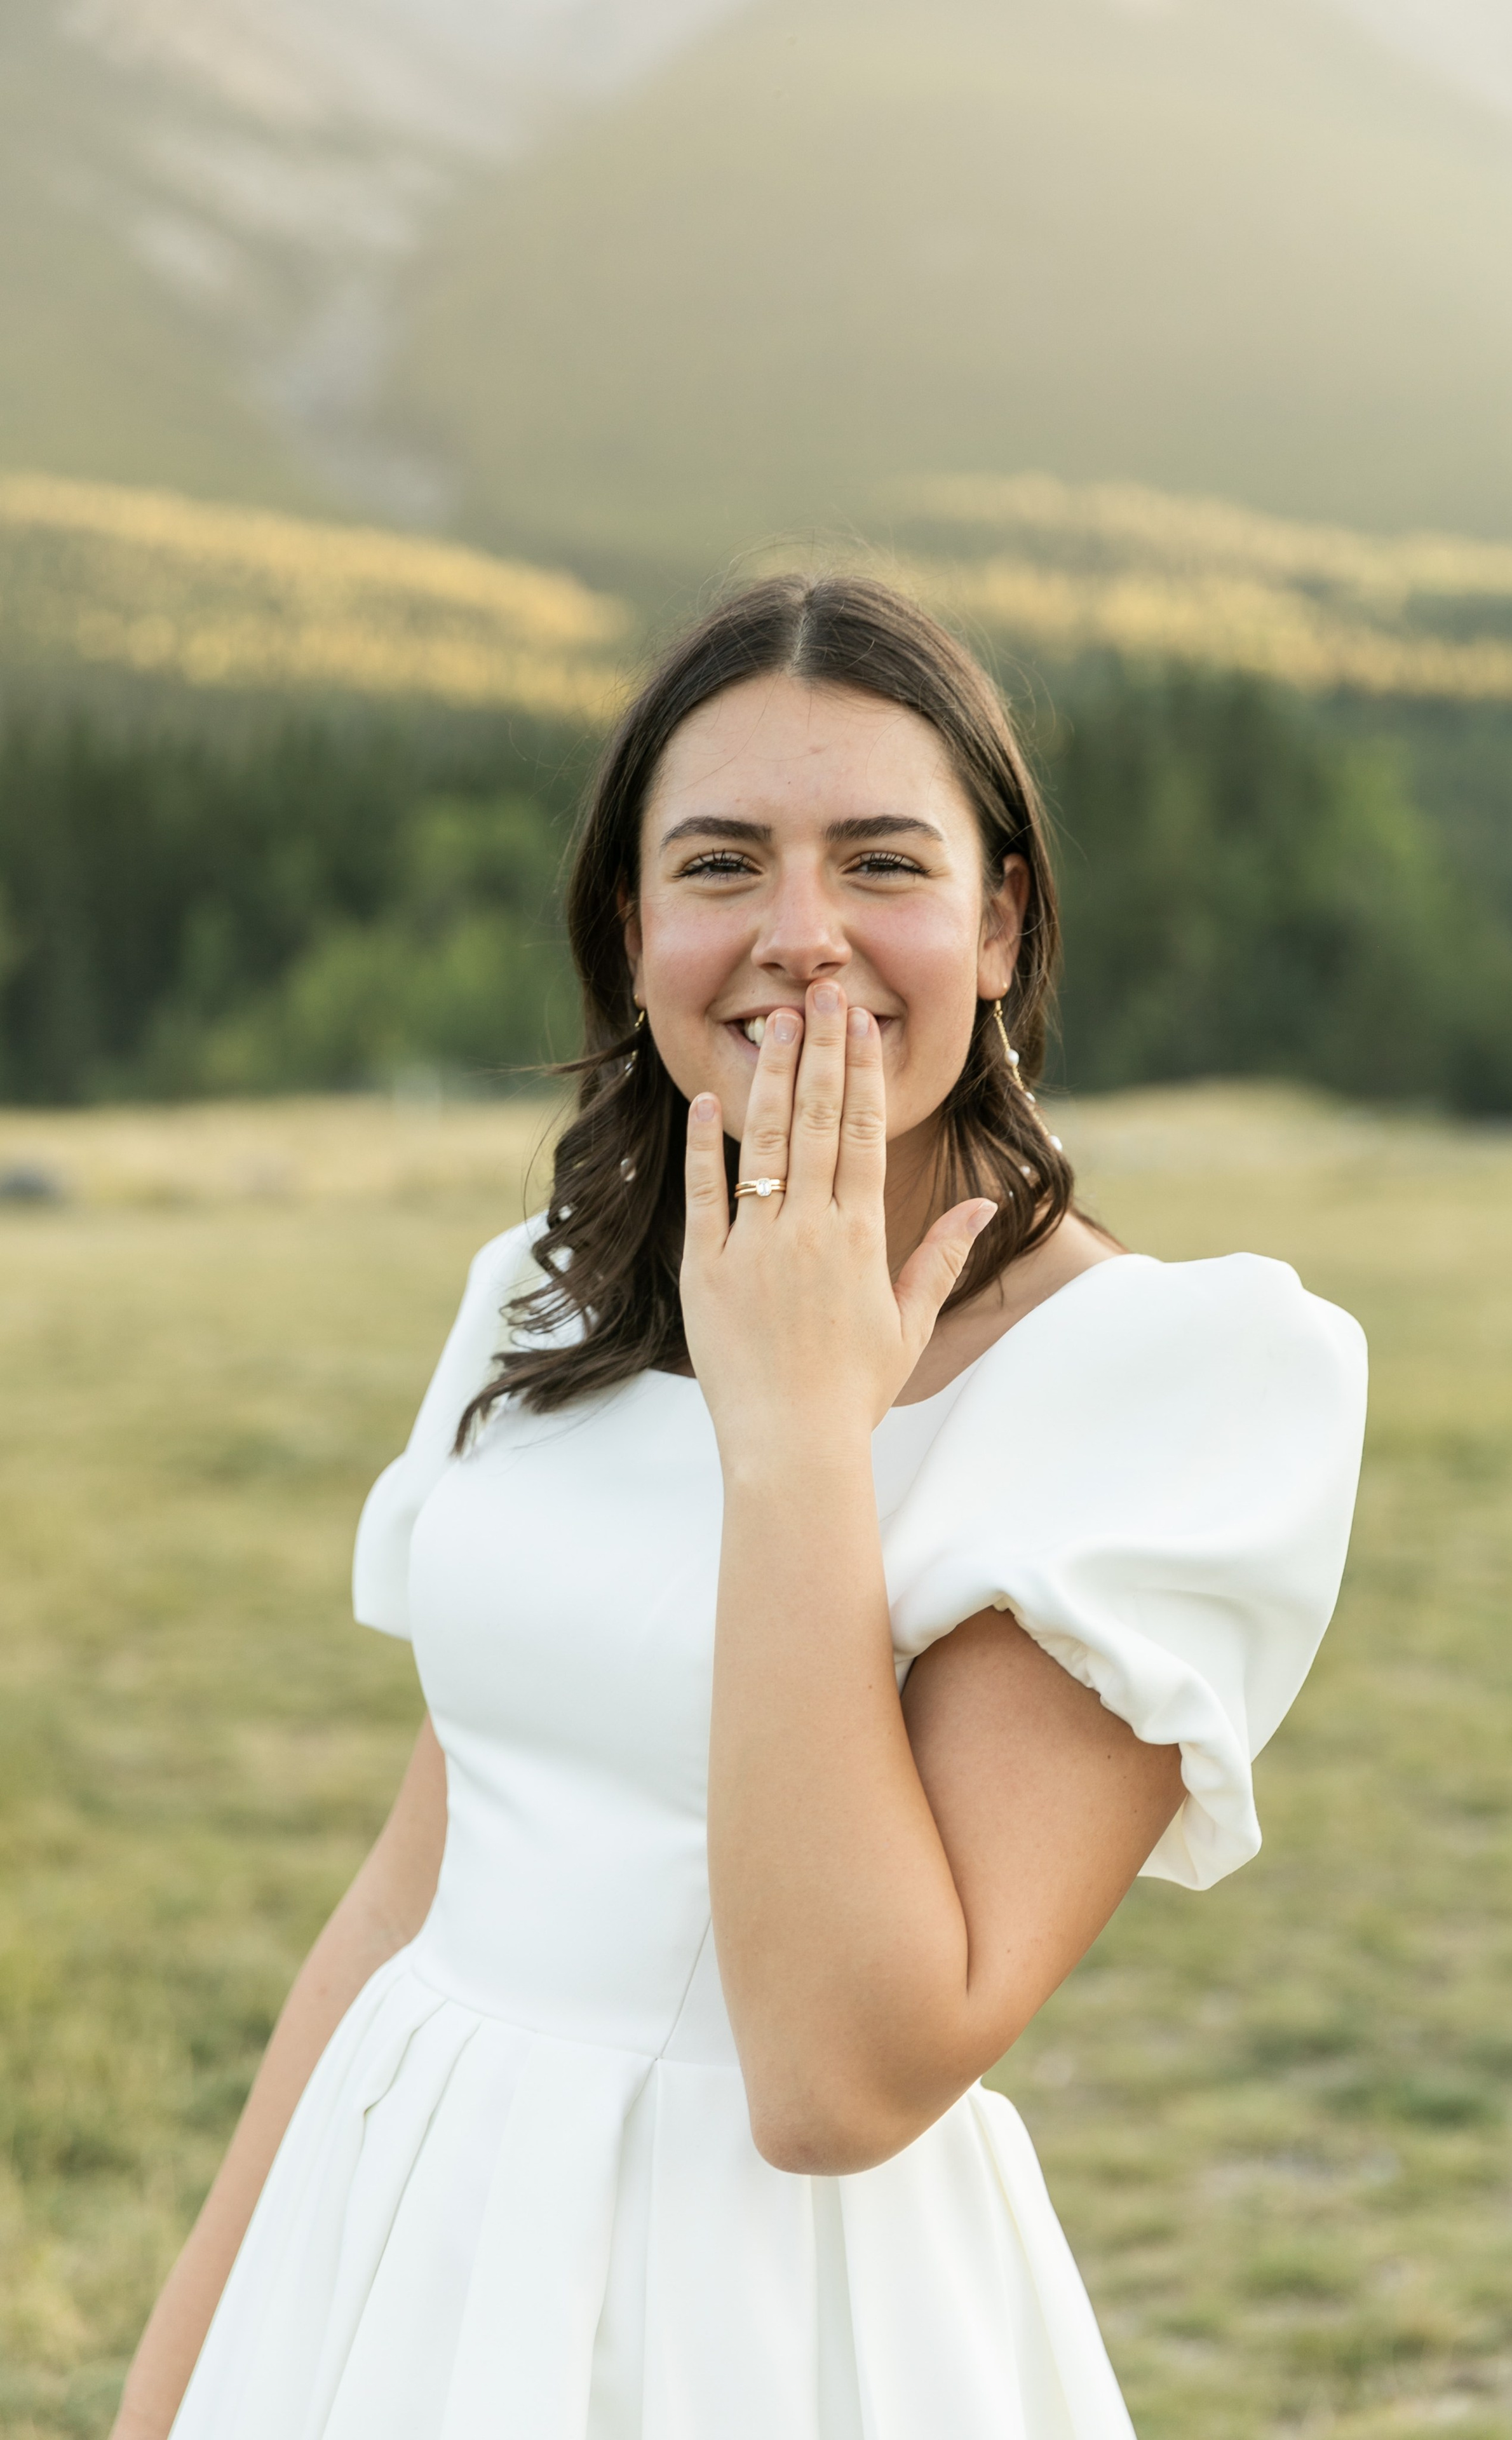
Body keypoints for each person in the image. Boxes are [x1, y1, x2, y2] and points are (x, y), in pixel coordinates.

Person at [112, 574, 1366, 2440]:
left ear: (1002, 920)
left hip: (760, 2327)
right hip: (391, 2241)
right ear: (632, 931)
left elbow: (840, 2077)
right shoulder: (543, 1290)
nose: (801, 938)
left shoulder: (1173, 1380)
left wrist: (795, 1436)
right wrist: (183, 2380)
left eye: (881, 861)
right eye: (718, 865)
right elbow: (407, 1887)